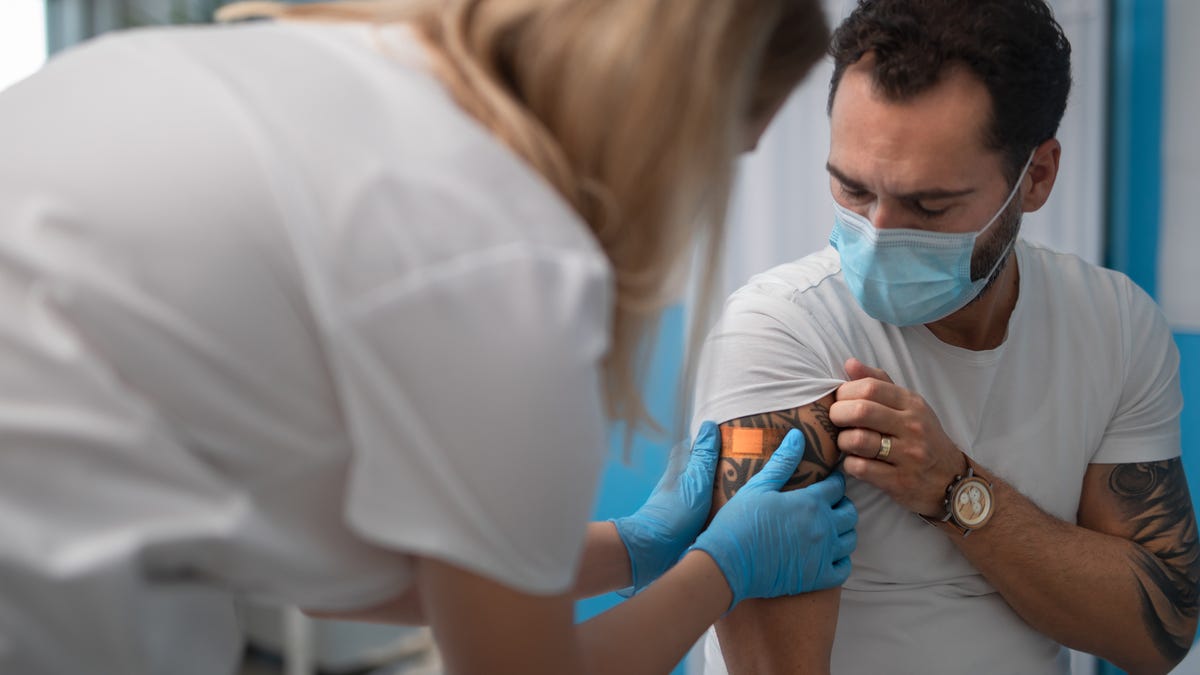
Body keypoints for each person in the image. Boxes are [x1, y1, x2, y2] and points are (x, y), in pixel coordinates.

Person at [0, 1, 858, 673]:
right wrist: (719, 571)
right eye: (723, 156)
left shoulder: (337, 72)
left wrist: (638, 546)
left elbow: (340, 579)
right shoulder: (502, 254)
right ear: (677, 120)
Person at [691, 1, 1200, 674]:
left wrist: (956, 489)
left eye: (929, 206)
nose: (878, 232)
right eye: (852, 190)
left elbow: (1156, 631)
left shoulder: (1116, 325)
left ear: (1037, 177)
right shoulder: (782, 327)